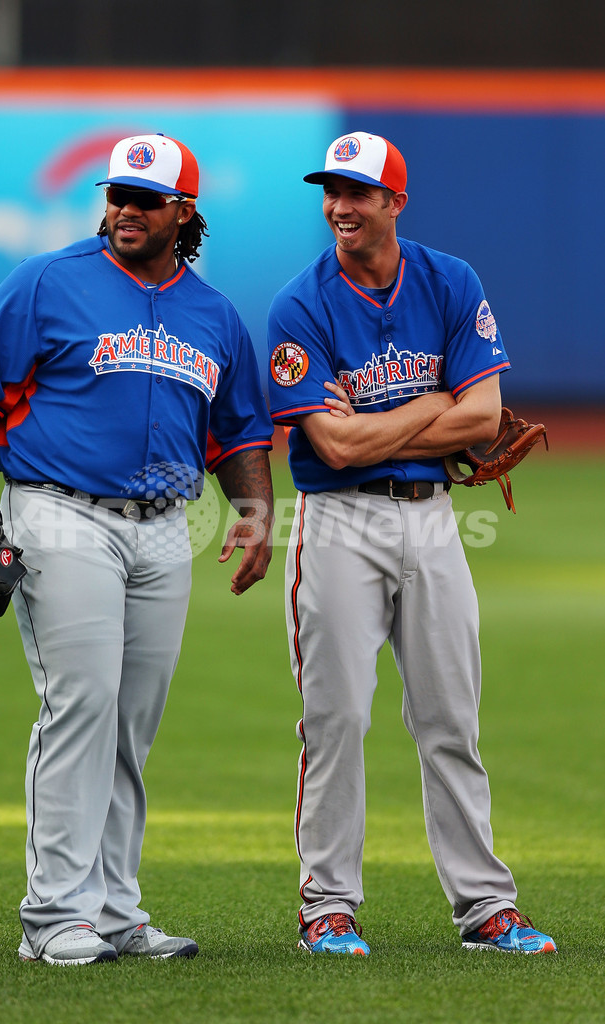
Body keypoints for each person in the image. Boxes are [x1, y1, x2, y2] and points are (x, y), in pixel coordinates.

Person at [0, 133, 274, 965]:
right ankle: (55, 915)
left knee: (131, 724)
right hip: (60, 511)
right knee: (81, 704)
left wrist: (255, 512)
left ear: (183, 212)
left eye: (146, 200)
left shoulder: (214, 315)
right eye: (118, 195)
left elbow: (238, 432)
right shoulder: (46, 281)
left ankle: (116, 911)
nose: (127, 209)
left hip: (165, 527)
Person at [266, 130, 556, 956]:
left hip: (433, 521)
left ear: (394, 202)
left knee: (450, 719)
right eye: (330, 191)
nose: (339, 206)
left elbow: (481, 416)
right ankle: (327, 907)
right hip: (337, 524)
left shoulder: (449, 280)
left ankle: (485, 907)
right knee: (334, 720)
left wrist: (391, 421)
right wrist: (433, 406)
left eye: (357, 192)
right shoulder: (300, 303)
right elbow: (334, 448)